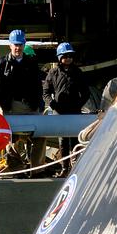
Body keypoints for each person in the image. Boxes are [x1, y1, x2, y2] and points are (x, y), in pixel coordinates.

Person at [0, 29, 45, 170]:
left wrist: (40, 102)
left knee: (40, 135)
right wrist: (0, 99)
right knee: (10, 138)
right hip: (11, 107)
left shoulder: (31, 63)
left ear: (24, 45)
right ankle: (15, 168)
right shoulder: (1, 63)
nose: (18, 47)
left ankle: (37, 169)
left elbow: (38, 85)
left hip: (31, 106)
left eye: (20, 44)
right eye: (15, 44)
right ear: (10, 45)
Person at [43, 42, 90, 170]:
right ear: (59, 58)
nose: (68, 58)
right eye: (65, 56)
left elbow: (86, 92)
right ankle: (64, 168)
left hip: (74, 111)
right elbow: (46, 92)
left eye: (70, 55)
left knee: (75, 139)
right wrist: (53, 105)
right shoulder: (53, 73)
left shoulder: (78, 72)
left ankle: (75, 167)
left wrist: (78, 104)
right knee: (62, 140)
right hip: (59, 111)